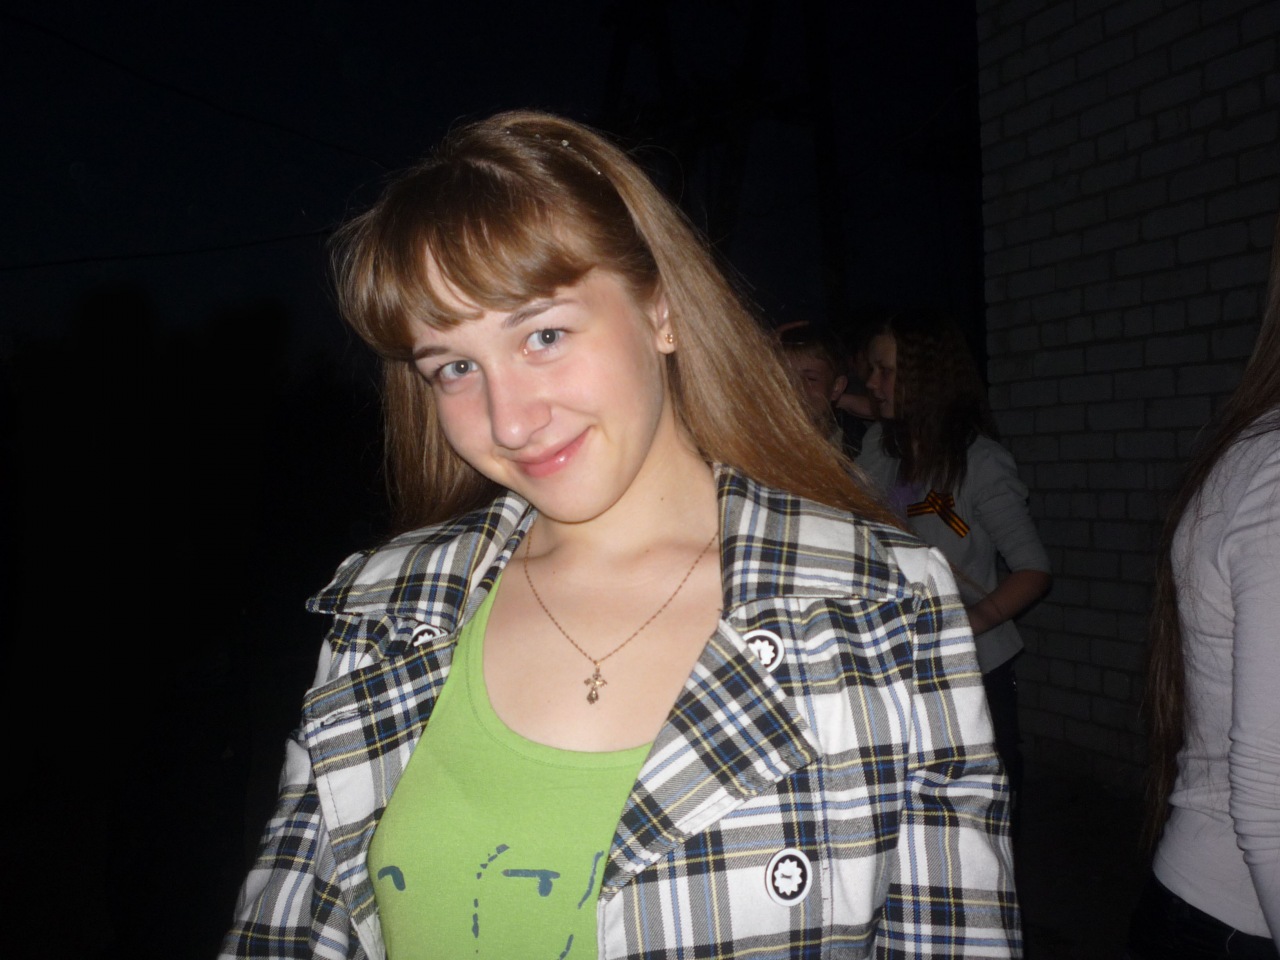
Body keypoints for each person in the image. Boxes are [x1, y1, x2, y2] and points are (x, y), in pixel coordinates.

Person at [221, 111, 1020, 959]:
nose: (509, 421)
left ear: (660, 309)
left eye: (544, 335)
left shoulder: (879, 603)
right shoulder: (384, 611)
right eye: (454, 367)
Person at [1128, 233, 1279, 958]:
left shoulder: (962, 468)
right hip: (1236, 914)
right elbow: (1270, 789)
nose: (872, 383)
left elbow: (1016, 556)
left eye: (886, 369)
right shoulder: (1271, 470)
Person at [855, 312, 1051, 798]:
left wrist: (969, 622)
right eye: (871, 370)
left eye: (885, 371)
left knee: (978, 802)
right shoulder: (880, 446)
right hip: (895, 668)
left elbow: (1033, 569)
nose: (872, 382)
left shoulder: (980, 461)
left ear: (924, 378)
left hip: (972, 670)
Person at [775, 320, 868, 457]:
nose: (796, 388)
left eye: (811, 379)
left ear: (836, 387)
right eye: (785, 377)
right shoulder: (757, 438)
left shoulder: (860, 444)